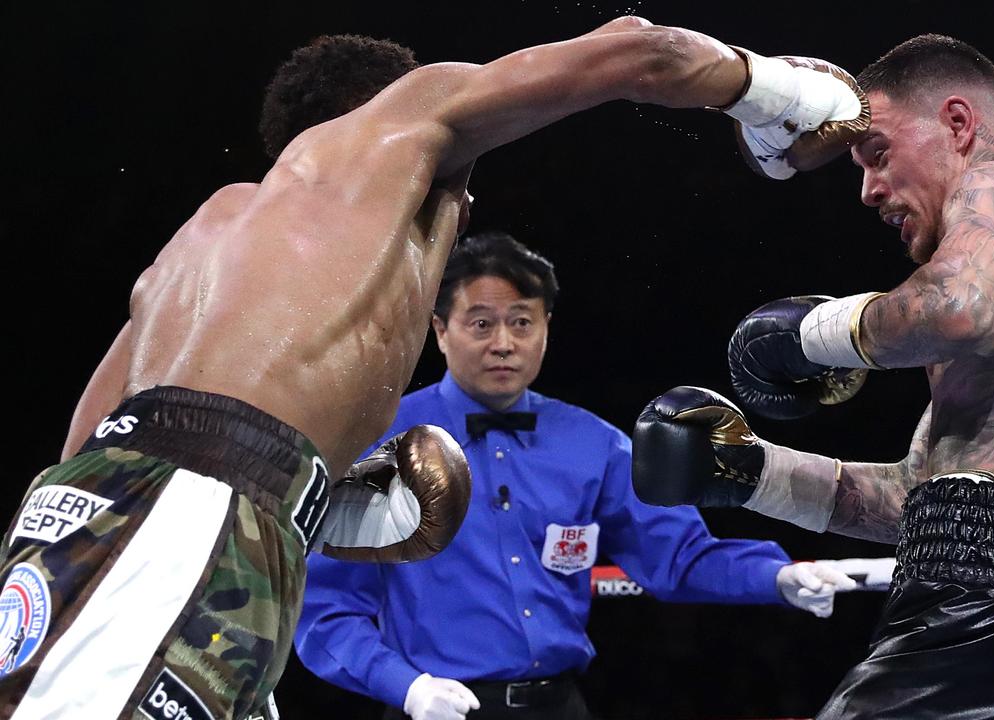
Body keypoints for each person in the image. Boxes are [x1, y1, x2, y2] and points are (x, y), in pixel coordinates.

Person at [0, 18, 874, 720]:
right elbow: (639, 48)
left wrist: (310, 501)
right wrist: (781, 94)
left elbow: (82, 454)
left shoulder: (207, 236)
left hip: (157, 515)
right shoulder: (388, 130)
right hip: (193, 518)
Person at [633, 34, 994, 719]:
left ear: (957, 123)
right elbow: (925, 501)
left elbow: (951, 308)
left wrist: (808, 336)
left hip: (988, 621)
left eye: (877, 154)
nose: (868, 190)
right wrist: (749, 473)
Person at [294, 232, 857, 720]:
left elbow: (678, 557)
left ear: (546, 327)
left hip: (560, 708)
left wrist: (778, 577)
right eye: (481, 323)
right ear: (439, 329)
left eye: (521, 322)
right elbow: (325, 611)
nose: (504, 343)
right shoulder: (383, 443)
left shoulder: (596, 445)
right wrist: (407, 686)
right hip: (437, 708)